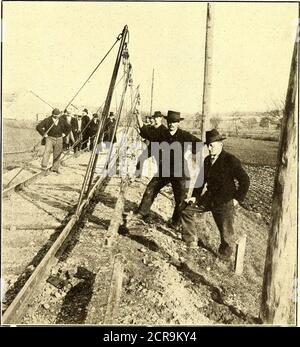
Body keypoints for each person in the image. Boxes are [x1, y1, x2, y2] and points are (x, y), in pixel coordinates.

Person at [180, 129, 250, 257]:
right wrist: (194, 197)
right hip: (208, 199)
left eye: (212, 145)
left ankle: (224, 257)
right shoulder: (207, 160)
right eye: (208, 145)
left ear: (220, 145)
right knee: (185, 209)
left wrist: (237, 199)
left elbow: (245, 180)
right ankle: (190, 240)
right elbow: (200, 181)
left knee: (226, 234)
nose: (210, 148)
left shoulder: (230, 160)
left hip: (224, 202)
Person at [132, 110, 201, 229]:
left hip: (180, 171)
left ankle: (176, 223)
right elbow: (145, 133)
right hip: (165, 169)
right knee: (151, 188)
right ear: (167, 122)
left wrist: (190, 154)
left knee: (181, 198)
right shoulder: (162, 134)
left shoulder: (184, 135)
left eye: (174, 122)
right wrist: (138, 116)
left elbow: (199, 144)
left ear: (178, 123)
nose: (171, 124)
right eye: (169, 121)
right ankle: (142, 212)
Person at [36, 108, 71, 173]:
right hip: (50, 138)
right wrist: (44, 134)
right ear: (52, 114)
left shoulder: (62, 120)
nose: (56, 116)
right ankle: (44, 166)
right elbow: (38, 127)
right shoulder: (47, 120)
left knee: (57, 153)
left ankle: (55, 168)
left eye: (57, 115)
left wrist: (65, 134)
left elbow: (69, 127)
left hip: (59, 139)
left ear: (59, 115)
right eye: (55, 115)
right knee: (47, 152)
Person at [135, 111, 167, 177]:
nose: (155, 119)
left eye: (157, 117)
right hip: (151, 148)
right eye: (155, 117)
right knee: (140, 158)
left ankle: (165, 179)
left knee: (161, 166)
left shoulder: (164, 130)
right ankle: (137, 175)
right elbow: (144, 131)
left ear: (161, 118)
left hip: (160, 150)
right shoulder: (152, 128)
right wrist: (138, 116)